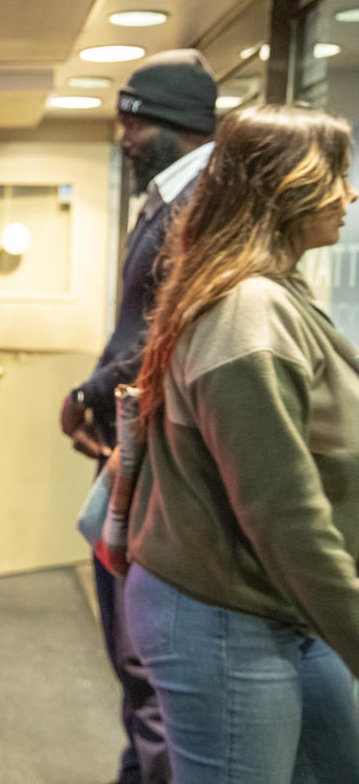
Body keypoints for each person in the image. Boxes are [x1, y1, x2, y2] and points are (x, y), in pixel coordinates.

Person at [125, 103, 359, 781]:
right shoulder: (250, 310)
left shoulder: (276, 293)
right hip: (226, 614)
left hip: (276, 604)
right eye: (336, 174)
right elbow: (283, 513)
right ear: (286, 184)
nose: (350, 193)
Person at [59, 49, 217, 784]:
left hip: (160, 461)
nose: (122, 136)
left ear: (172, 122)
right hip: (134, 448)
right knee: (135, 659)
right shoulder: (172, 198)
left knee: (146, 659)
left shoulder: (204, 204)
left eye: (131, 120)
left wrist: (91, 394)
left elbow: (164, 331)